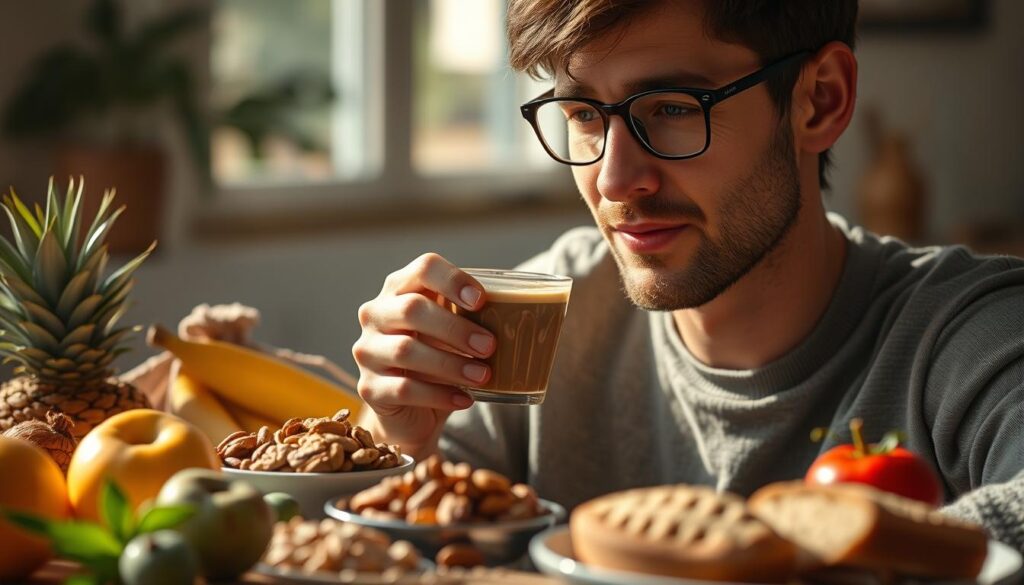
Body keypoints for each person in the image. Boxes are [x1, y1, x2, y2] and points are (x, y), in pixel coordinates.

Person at [352, 0, 1024, 550]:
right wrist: (397, 440)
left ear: (819, 101)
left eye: (672, 108)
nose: (614, 180)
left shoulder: (965, 331)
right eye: (584, 114)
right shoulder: (534, 324)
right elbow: (392, 538)